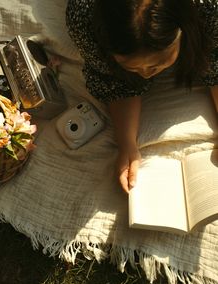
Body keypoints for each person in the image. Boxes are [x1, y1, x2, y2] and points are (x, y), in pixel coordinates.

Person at [66, 0, 218, 193]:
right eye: (132, 66)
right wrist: (127, 144)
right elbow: (114, 82)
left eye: (159, 62)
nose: (146, 73)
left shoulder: (210, 8)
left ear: (183, 28)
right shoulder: (84, 19)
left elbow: (216, 63)